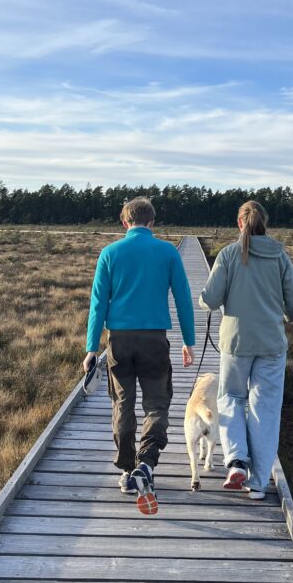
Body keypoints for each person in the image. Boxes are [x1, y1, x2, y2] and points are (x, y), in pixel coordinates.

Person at [84, 197, 195, 515]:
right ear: (152, 222)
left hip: (119, 341)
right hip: (155, 340)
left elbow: (98, 304)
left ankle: (126, 471)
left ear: (124, 222)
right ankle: (146, 463)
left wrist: (92, 348)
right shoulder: (168, 252)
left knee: (123, 402)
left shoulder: (110, 253)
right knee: (157, 404)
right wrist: (188, 341)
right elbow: (184, 299)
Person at [199, 200, 293, 499]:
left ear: (239, 223)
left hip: (235, 343)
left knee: (231, 398)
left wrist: (206, 302)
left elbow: (210, 298)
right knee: (265, 409)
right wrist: (281, 316)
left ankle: (236, 461)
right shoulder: (280, 256)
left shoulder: (229, 254)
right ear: (264, 224)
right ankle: (258, 483)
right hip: (271, 343)